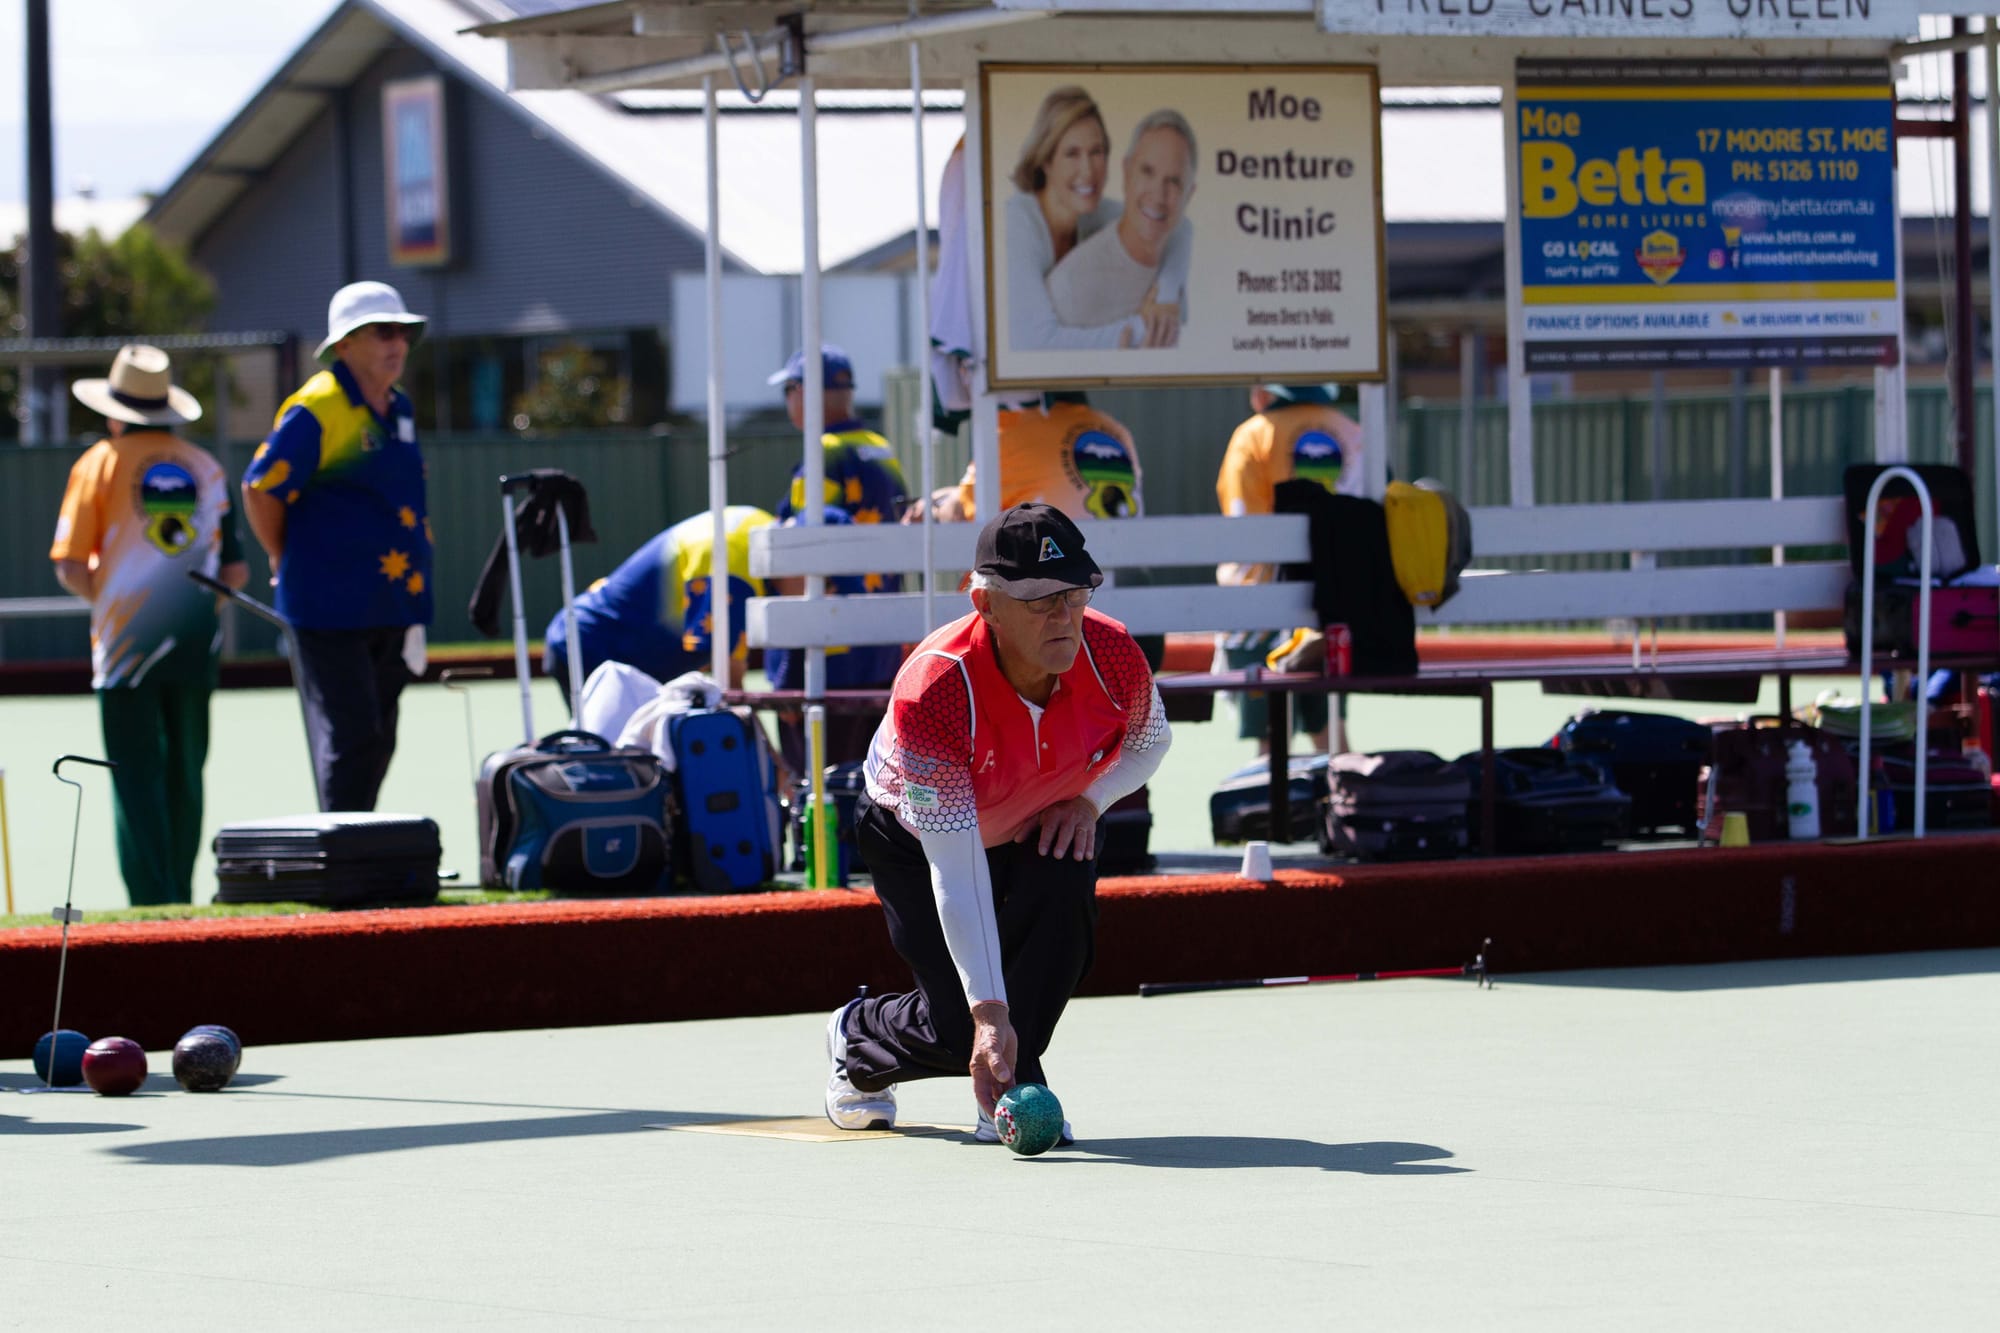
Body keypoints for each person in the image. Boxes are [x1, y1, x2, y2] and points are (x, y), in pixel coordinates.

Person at [825, 503, 1172, 1141]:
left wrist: (1088, 801)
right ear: (985, 604)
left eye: (1075, 594)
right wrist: (988, 1016)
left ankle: (1009, 1091)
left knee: (1061, 941)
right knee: (962, 1023)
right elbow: (958, 871)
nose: (1064, 617)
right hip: (915, 836)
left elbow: (1151, 742)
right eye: (1039, 600)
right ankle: (860, 1034)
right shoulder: (935, 689)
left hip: (1042, 815)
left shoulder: (1113, 651)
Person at [49, 344, 249, 905]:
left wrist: (117, 604)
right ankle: (181, 895)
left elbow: (70, 564)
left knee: (134, 775)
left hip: (124, 651)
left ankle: (150, 904)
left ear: (115, 413)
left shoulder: (98, 464)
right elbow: (235, 570)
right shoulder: (206, 467)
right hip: (195, 645)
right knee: (186, 772)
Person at [241, 280, 432, 812]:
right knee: (355, 738)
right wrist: (282, 555)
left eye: (405, 333)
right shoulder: (317, 407)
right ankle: (343, 853)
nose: (398, 343)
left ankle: (359, 844)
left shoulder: (400, 408)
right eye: (383, 332)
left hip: (392, 603)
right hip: (328, 606)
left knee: (380, 738)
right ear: (344, 344)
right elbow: (261, 488)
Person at [769, 344, 909, 774]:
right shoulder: (881, 447)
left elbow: (802, 560)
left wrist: (788, 674)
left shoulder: (823, 454)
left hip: (831, 651)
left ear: (805, 391)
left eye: (788, 389)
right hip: (883, 643)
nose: (787, 400)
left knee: (822, 782)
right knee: (873, 778)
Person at [1215, 384, 1364, 755]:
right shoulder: (1354, 431)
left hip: (1261, 609)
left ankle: (1273, 793)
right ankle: (1346, 789)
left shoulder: (1253, 434)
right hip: (1337, 602)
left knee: (1270, 742)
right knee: (1331, 731)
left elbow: (1242, 528)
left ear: (1264, 390)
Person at [1003, 87, 1190, 352]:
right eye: (1072, 154)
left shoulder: (1089, 210)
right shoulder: (1017, 224)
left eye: (1096, 152)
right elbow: (1035, 342)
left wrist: (1165, 299)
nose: (1088, 170)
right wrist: (1142, 328)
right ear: (1046, 160)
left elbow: (1179, 227)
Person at [543, 505, 776, 709]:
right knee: (616, 744)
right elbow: (729, 685)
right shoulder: (733, 564)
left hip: (604, 646)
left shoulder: (762, 529)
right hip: (593, 651)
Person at [1045, 110, 1198, 339]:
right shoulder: (1069, 288)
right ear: (1126, 173)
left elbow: (1185, 229)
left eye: (1174, 182)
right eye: (1147, 172)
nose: (1158, 195)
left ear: (1189, 195)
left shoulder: (1178, 251)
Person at [942, 391, 1144, 525]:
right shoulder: (1116, 430)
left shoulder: (1016, 435)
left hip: (1053, 571)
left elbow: (960, 513)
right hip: (1122, 566)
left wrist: (934, 509)